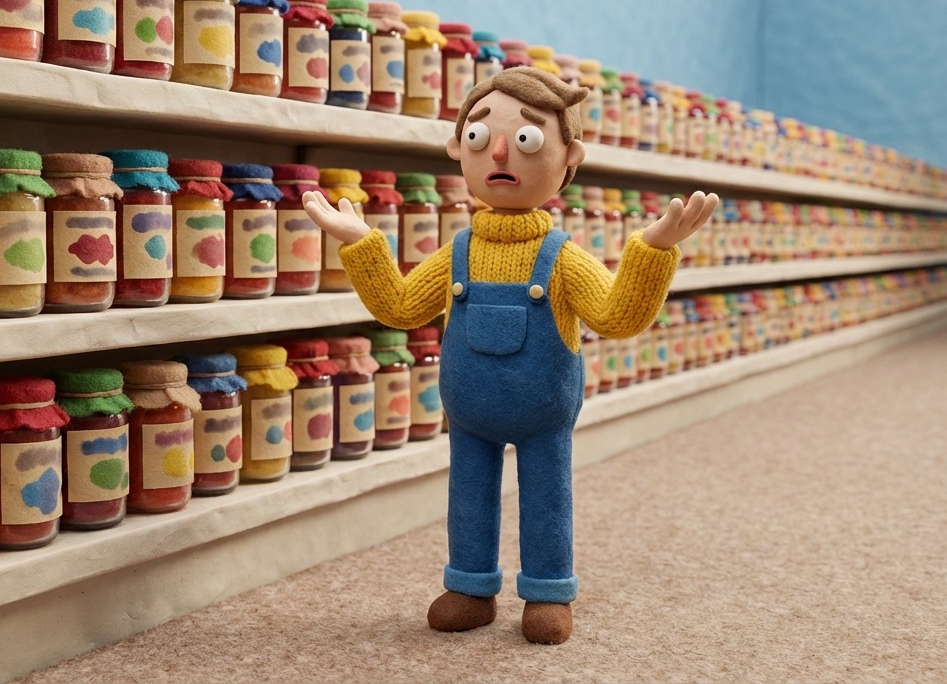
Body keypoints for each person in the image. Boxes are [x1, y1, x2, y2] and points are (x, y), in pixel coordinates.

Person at [302, 67, 717, 644]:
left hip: (544, 414)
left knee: (548, 497)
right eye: (478, 136)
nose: (499, 151)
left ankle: (547, 591)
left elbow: (618, 316)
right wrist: (362, 244)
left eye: (526, 139)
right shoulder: (459, 251)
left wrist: (651, 252)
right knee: (467, 495)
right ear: (457, 148)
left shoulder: (563, 258)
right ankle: (470, 585)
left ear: (570, 156)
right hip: (469, 413)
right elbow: (399, 307)